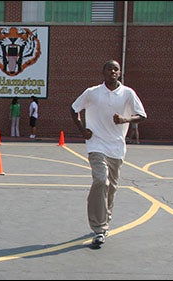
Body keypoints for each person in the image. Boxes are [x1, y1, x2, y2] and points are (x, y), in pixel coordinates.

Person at [70, 60, 146, 246]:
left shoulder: (128, 93)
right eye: (109, 69)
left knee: (110, 188)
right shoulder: (92, 92)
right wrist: (83, 130)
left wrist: (124, 119)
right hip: (96, 144)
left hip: (116, 147)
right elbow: (73, 109)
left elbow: (142, 115)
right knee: (100, 180)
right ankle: (99, 228)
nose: (112, 71)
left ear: (119, 73)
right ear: (103, 72)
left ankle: (105, 220)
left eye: (116, 69)